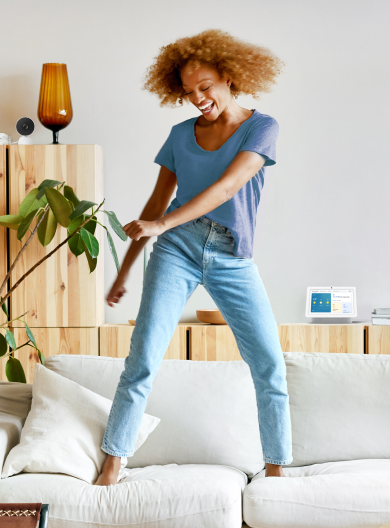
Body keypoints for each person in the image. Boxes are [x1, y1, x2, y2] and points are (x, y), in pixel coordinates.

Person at [95, 29, 291, 485]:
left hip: (231, 254)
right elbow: (154, 205)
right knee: (142, 360)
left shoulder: (262, 128)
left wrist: (162, 223)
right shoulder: (180, 135)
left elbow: (227, 187)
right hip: (176, 250)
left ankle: (278, 471)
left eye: (205, 87)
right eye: (189, 93)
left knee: (269, 365)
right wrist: (125, 270)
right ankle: (112, 463)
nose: (198, 99)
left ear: (229, 76)